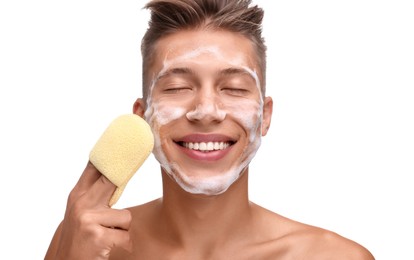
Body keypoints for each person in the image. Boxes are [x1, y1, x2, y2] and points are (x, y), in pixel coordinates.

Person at [45, 0, 375, 259]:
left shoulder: (333, 257)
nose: (206, 111)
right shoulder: (81, 241)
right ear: (142, 116)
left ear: (265, 116)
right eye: (176, 87)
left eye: (233, 87)